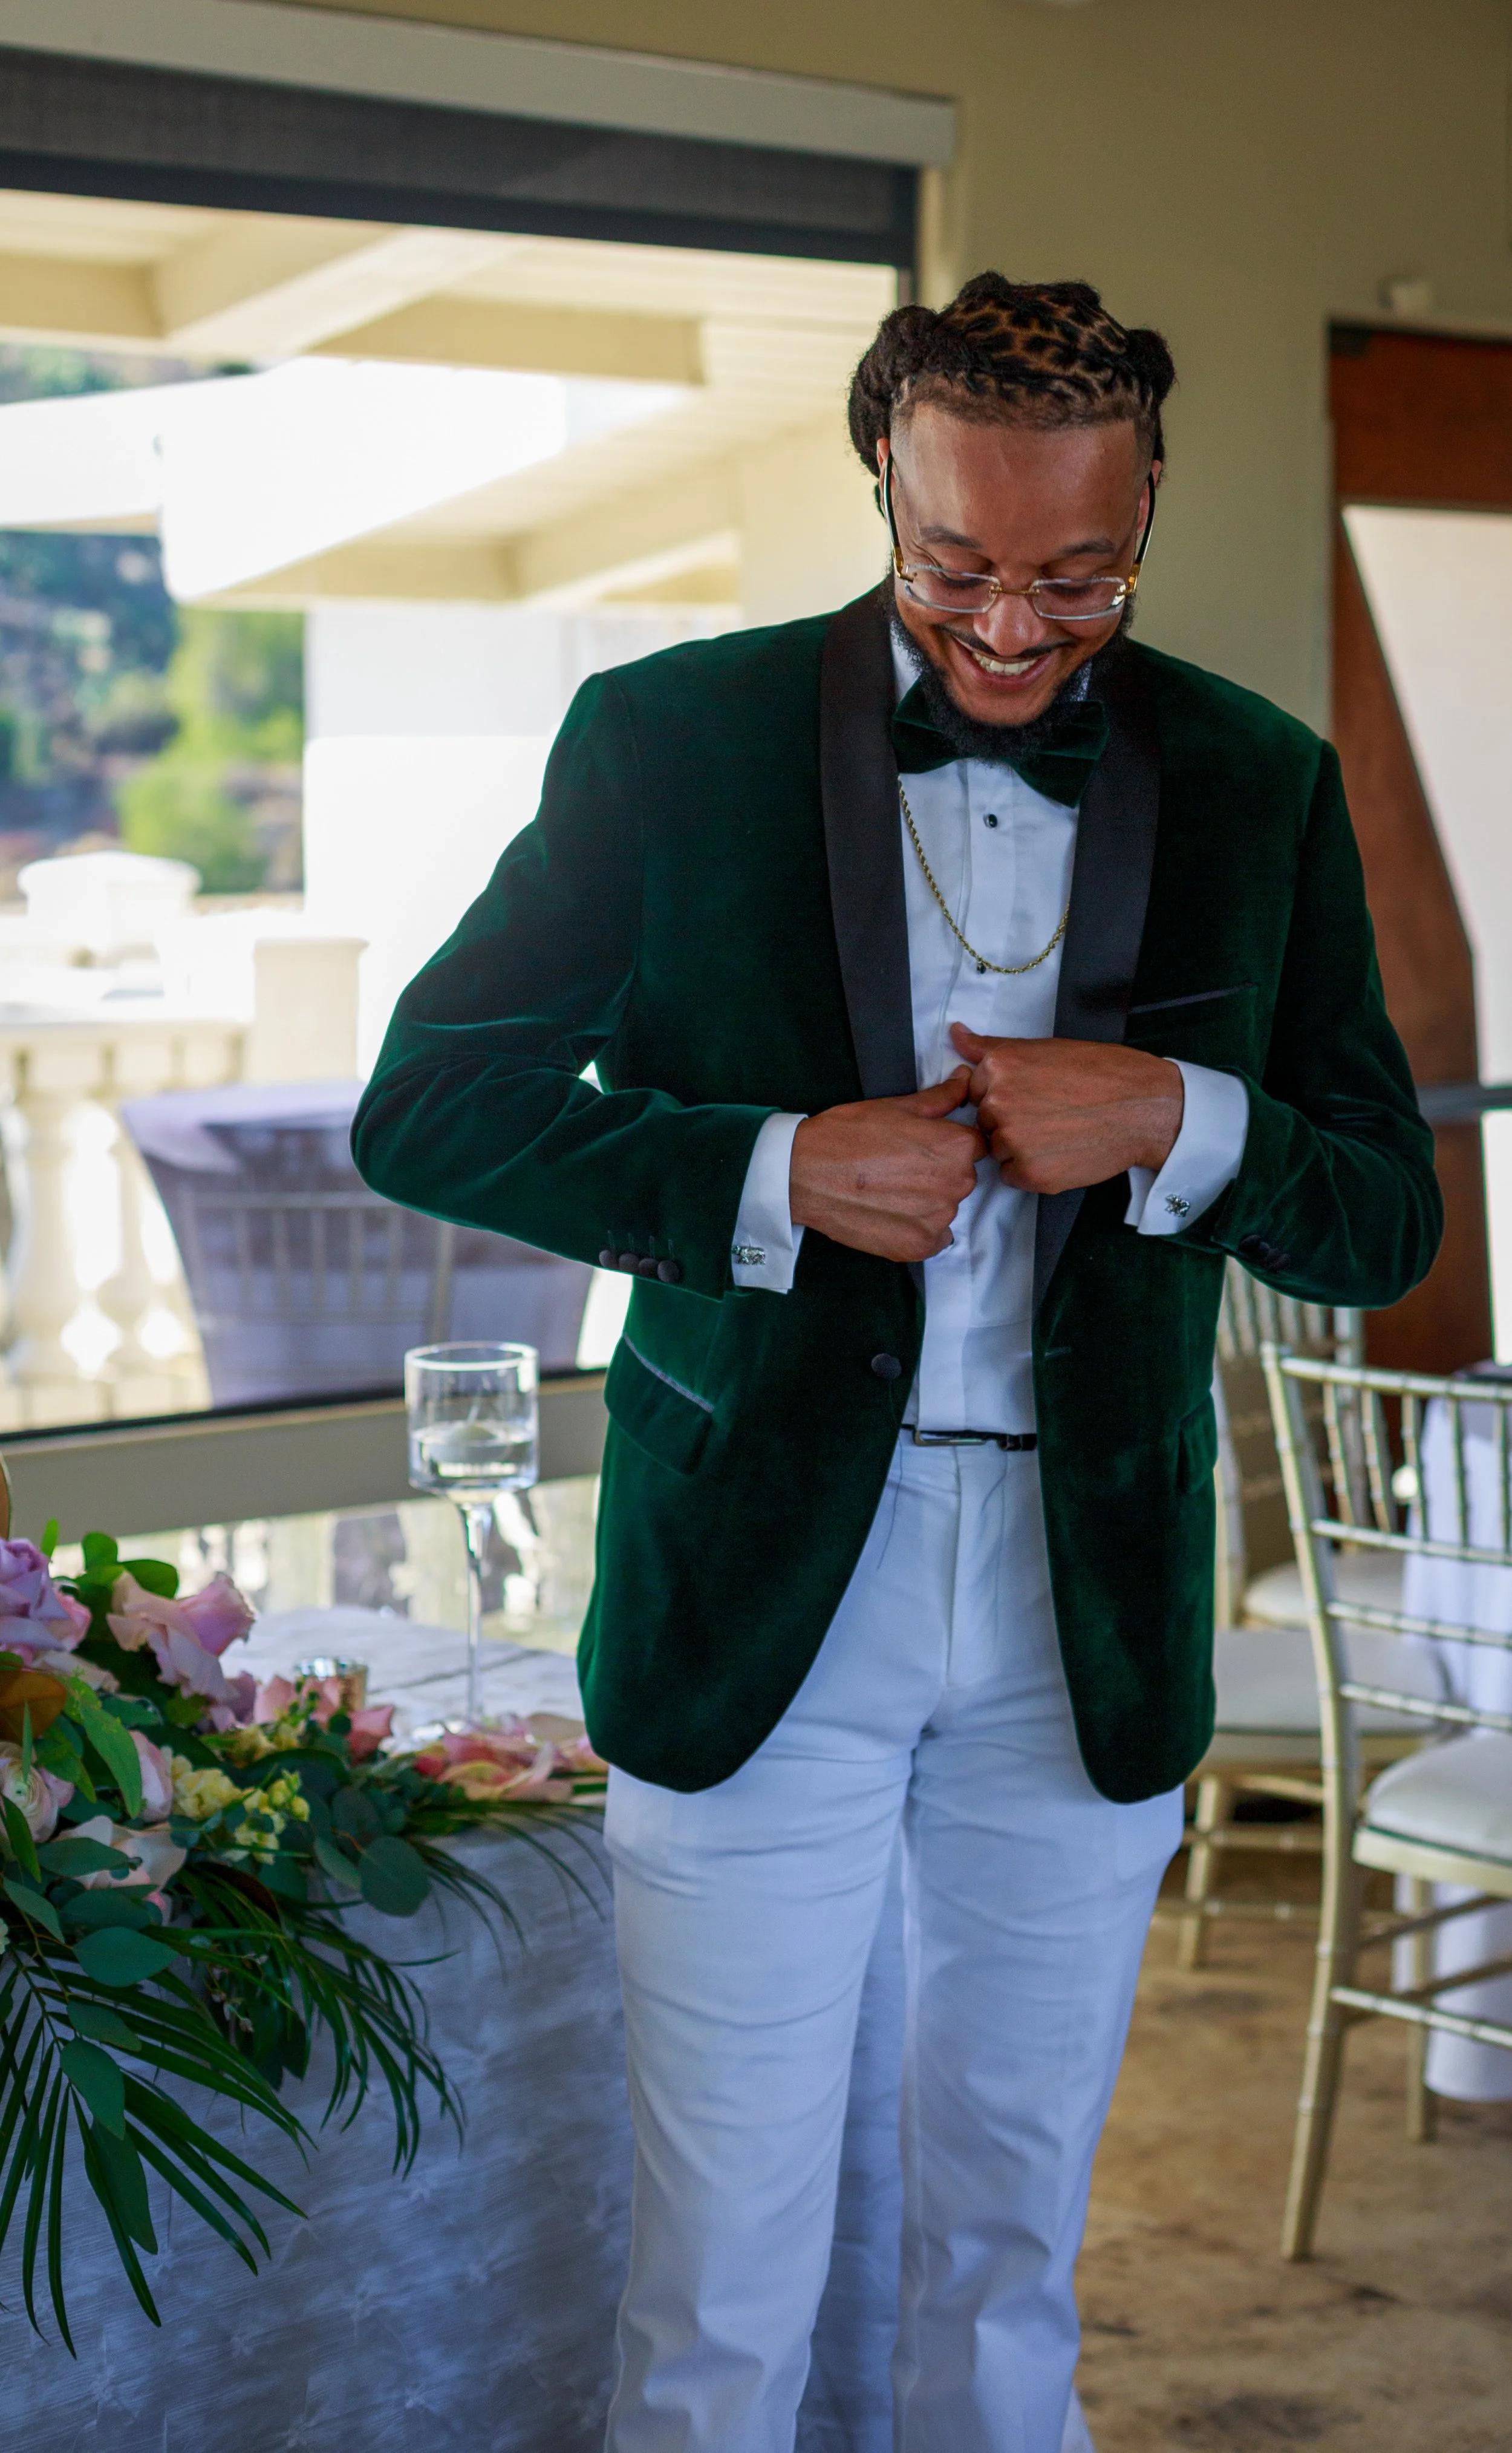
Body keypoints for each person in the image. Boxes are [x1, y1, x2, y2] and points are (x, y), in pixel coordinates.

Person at [353, 275, 1440, 2453]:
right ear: (879, 482)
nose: (1016, 630)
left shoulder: (1257, 779)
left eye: (1077, 576)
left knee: (1010, 2241)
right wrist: (765, 1169)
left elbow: (1378, 1210)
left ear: (1144, 508)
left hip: (1087, 1590)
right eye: (956, 570)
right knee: (723, 2266)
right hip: (763, 1575)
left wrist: (1174, 1123)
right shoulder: (667, 740)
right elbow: (429, 1102)